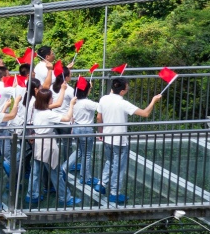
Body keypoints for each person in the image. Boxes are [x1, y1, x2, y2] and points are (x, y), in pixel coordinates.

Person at [98, 77, 162, 207]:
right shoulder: (123, 103)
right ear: (121, 91)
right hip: (119, 140)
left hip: (107, 137)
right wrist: (153, 101)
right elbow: (145, 113)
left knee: (109, 161)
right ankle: (115, 194)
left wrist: (100, 132)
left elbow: (99, 117)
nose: (127, 90)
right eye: (127, 88)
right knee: (119, 167)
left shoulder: (103, 99)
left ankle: (101, 185)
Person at [30, 85, 80, 206]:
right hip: (47, 143)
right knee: (55, 172)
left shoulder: (36, 109)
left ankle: (32, 195)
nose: (53, 99)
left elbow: (56, 104)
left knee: (35, 171)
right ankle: (65, 197)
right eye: (51, 98)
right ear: (47, 100)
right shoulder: (47, 113)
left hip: (38, 141)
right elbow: (67, 118)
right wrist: (72, 105)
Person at [66, 80, 101, 187]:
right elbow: (101, 107)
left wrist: (88, 87)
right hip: (86, 129)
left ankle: (64, 168)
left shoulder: (74, 101)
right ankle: (86, 178)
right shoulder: (87, 103)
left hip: (76, 128)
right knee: (87, 154)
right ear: (86, 90)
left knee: (80, 151)